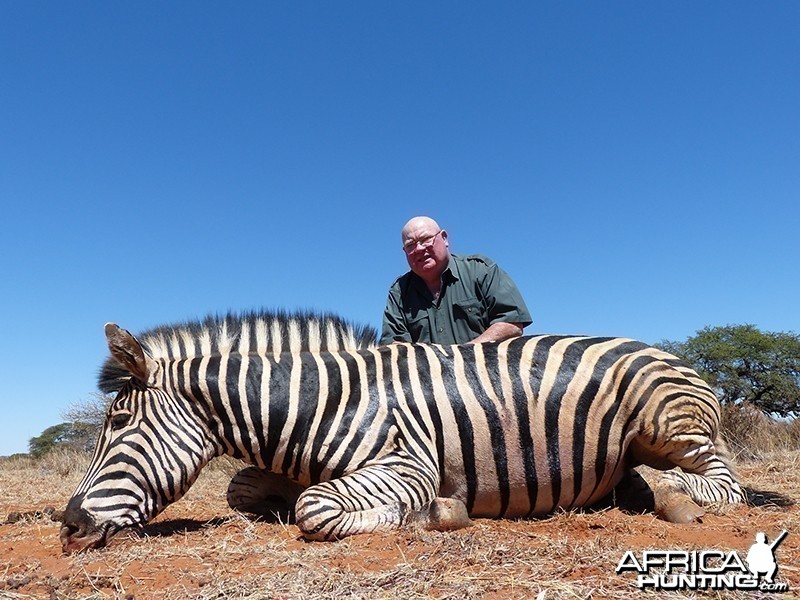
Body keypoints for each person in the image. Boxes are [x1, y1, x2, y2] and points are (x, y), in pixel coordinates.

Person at [380, 216, 532, 345]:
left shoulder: (481, 270)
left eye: (426, 239)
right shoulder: (399, 292)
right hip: (427, 379)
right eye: (410, 245)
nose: (419, 249)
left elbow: (512, 324)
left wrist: (460, 358)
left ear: (444, 238)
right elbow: (394, 347)